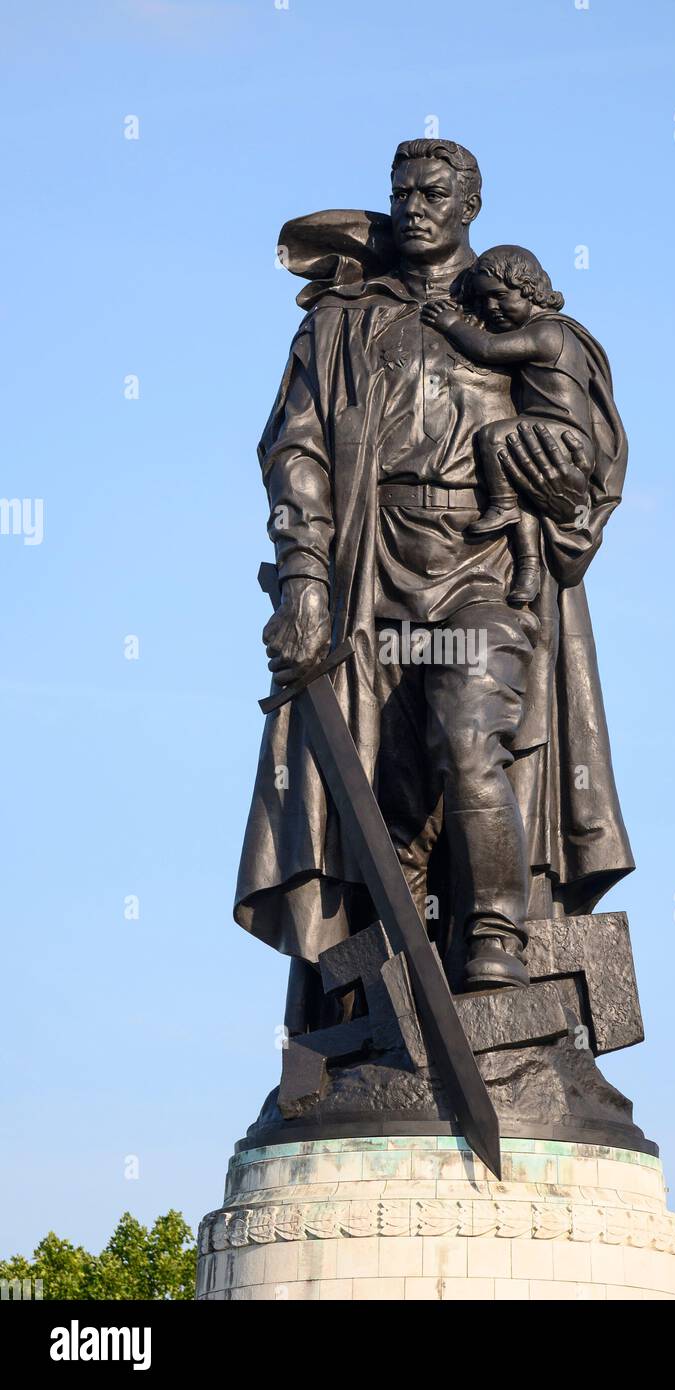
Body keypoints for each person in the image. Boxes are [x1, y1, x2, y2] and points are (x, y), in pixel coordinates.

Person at [235, 139, 633, 1015]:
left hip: (481, 563)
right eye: (403, 192)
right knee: (384, 787)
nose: (415, 206)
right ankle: (395, 981)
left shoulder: (507, 311)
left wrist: (558, 467)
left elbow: (587, 452)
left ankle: (495, 932)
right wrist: (303, 577)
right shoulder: (341, 321)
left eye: (436, 193)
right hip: (369, 575)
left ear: (470, 206)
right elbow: (295, 451)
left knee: (469, 735)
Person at [421, 245, 592, 606]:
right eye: (484, 301)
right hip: (545, 432)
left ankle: (501, 505)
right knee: (524, 489)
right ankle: (528, 569)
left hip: (560, 433)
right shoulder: (545, 330)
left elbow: (488, 349)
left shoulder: (548, 333)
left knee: (495, 435)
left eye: (500, 297)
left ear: (529, 289)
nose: (491, 309)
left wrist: (451, 324)